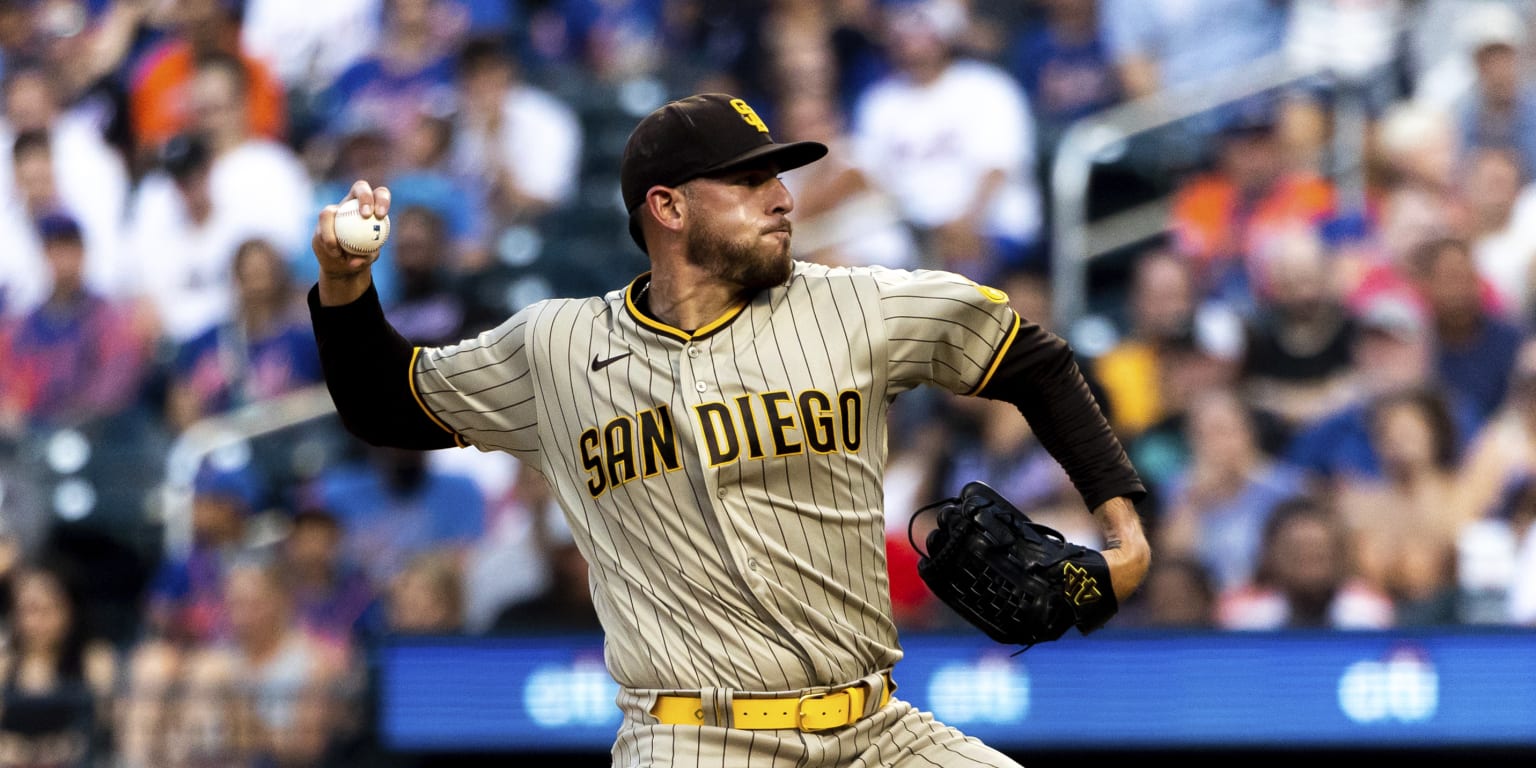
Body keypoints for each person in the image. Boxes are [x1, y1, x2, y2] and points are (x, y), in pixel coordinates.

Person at [307, 92, 1149, 766]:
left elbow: (1031, 358)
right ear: (667, 207)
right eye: (749, 182)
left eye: (778, 177)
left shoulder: (854, 305)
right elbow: (385, 405)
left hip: (877, 732)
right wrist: (346, 289)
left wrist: (1122, 530)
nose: (782, 198)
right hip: (693, 741)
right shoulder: (555, 347)